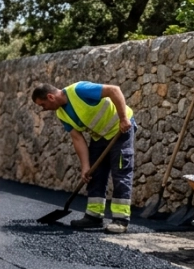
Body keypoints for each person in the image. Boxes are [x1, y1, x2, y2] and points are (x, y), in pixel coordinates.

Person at [32, 82, 135, 233]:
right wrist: (85, 166)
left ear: (50, 97)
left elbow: (114, 90)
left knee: (120, 172)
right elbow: (77, 138)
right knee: (94, 175)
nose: (43, 109)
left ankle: (120, 220)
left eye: (43, 104)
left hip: (120, 129)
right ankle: (94, 216)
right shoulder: (62, 114)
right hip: (100, 136)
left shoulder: (79, 90)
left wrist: (123, 118)